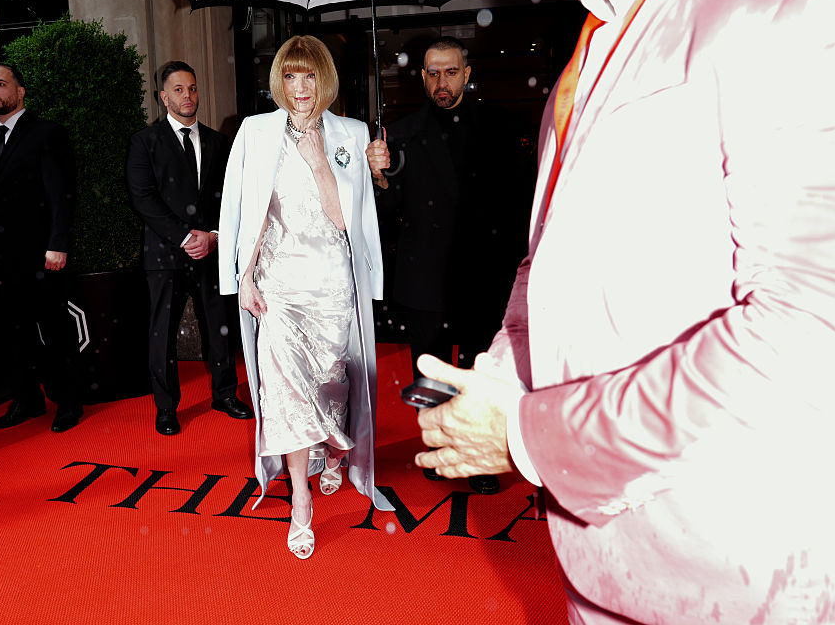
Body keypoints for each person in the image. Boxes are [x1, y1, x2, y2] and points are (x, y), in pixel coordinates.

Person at [411, 0, 835, 622]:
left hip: (747, 572)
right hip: (598, 565)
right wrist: (501, 373)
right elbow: (544, 265)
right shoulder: (586, 55)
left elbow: (809, 332)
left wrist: (529, 438)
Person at [219, 35, 394, 559]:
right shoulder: (254, 132)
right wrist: (243, 278)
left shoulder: (351, 133)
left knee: (331, 384)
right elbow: (240, 213)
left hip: (332, 283)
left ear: (325, 80)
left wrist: (324, 164)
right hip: (277, 284)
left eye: (310, 76)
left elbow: (349, 223)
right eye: (291, 76)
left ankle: (335, 454)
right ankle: (300, 500)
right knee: (286, 392)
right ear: (279, 80)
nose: (300, 88)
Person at [365, 36, 532, 495]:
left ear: (467, 73)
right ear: (421, 77)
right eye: (433, 73)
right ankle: (440, 449)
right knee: (431, 375)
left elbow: (519, 203)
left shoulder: (500, 128)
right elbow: (384, 211)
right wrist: (378, 175)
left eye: (451, 71)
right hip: (426, 280)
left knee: (480, 372)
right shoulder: (397, 136)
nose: (442, 81)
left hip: (485, 277)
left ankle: (477, 458)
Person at [125, 61, 251, 436]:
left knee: (220, 326)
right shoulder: (144, 142)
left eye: (192, 88)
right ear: (164, 97)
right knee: (162, 331)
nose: (188, 96)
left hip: (211, 251)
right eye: (178, 90)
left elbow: (231, 196)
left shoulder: (217, 141)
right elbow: (142, 198)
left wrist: (212, 235)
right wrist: (184, 236)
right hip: (165, 254)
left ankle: (225, 393)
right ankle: (166, 407)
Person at [0, 63, 83, 433]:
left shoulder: (47, 133)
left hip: (40, 255)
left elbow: (61, 193)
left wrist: (58, 244)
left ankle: (68, 402)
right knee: (12, 333)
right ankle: (27, 399)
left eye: (0, 83)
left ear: (21, 91)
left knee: (54, 329)